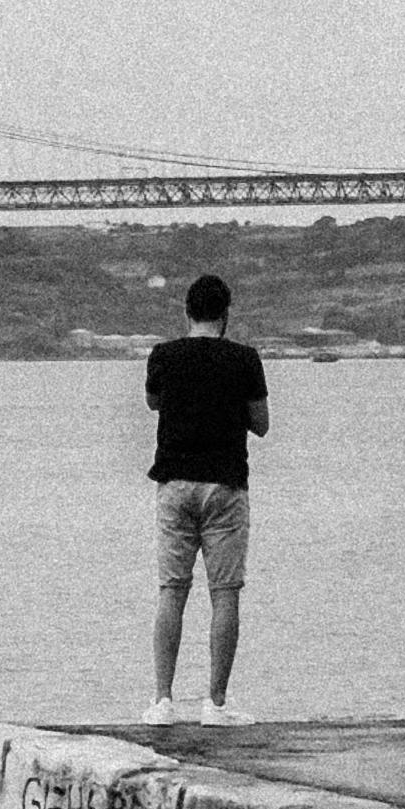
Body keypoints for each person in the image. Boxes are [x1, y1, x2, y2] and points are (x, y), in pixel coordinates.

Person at [144, 270, 267, 724]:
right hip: (225, 486)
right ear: (226, 314)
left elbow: (154, 402)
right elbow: (261, 424)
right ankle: (216, 703)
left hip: (175, 484)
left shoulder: (163, 355)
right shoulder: (244, 359)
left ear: (187, 312)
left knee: (172, 590)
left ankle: (162, 701)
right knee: (225, 594)